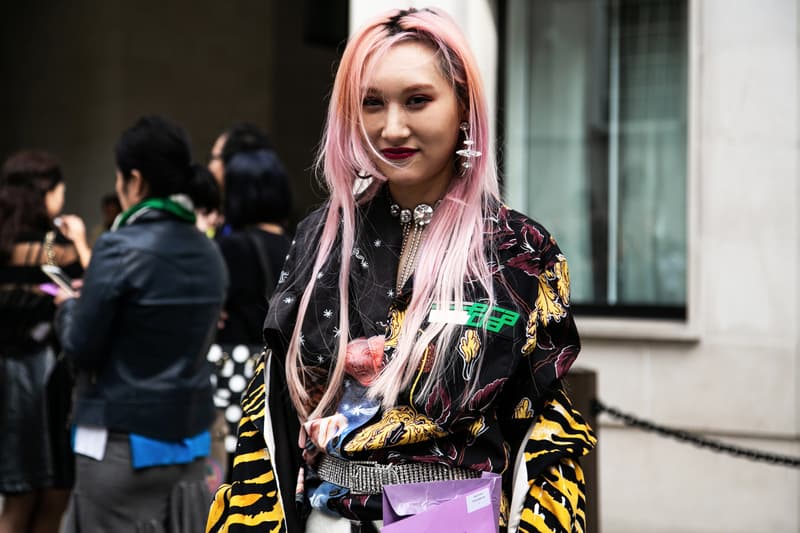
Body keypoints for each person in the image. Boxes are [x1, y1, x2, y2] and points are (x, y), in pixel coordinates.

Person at [206, 7, 596, 533]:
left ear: (463, 107)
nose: (392, 127)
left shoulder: (518, 251)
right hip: (329, 518)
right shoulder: (322, 237)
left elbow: (544, 431)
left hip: (457, 521)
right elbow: (268, 416)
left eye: (417, 100)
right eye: (371, 103)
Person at [55, 115, 228, 532]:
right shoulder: (209, 253)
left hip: (120, 444)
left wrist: (68, 307)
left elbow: (81, 347)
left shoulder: (117, 246)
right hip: (190, 447)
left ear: (134, 180)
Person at [0, 150, 87, 533]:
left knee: (17, 495)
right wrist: (81, 241)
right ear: (45, 193)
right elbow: (92, 294)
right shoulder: (54, 247)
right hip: (46, 381)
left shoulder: (4, 243)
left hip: (8, 378)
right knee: (52, 493)